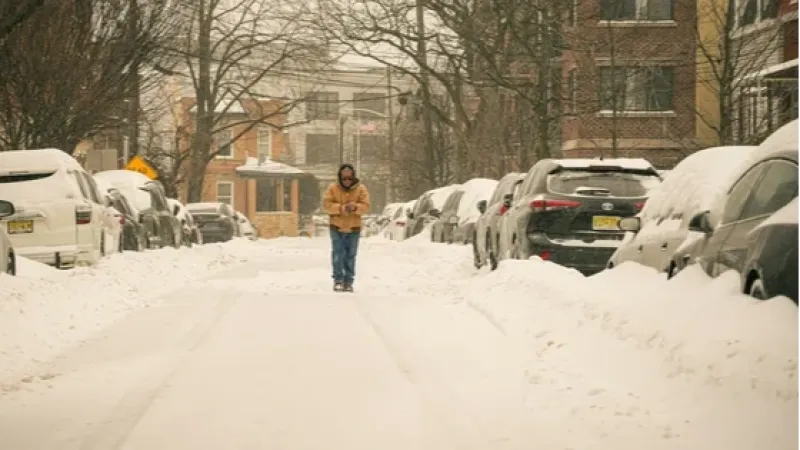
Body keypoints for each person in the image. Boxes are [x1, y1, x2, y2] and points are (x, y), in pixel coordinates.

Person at [322, 163, 370, 292]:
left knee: (351, 255)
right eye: (344, 179)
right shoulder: (332, 188)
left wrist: (356, 207)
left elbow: (366, 206)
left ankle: (348, 281)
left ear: (353, 177)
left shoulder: (361, 189)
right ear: (340, 177)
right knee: (338, 253)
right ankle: (338, 279)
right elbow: (326, 205)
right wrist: (340, 208)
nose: (347, 181)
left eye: (349, 178)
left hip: (354, 227)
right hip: (336, 227)